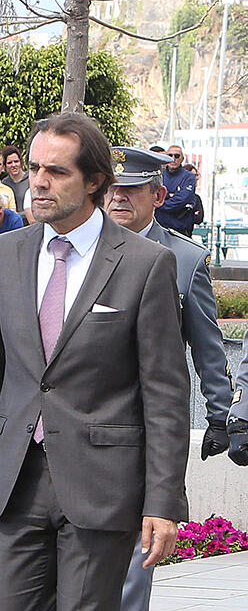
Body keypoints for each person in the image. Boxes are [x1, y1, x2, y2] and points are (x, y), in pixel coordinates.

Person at [0, 113, 190, 610]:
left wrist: (163, 502)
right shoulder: (3, 254)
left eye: (57, 172)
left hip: (102, 488)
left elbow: (166, 396)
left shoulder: (145, 264)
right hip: (15, 481)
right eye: (36, 168)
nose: (39, 182)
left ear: (95, 182)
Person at [105, 146, 233, 611]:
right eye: (113, 189)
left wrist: (221, 414)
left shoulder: (183, 258)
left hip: (145, 427)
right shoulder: (74, 250)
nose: (119, 198)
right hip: (79, 424)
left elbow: (206, 344)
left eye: (132, 190)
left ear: (158, 195)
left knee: (135, 561)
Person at [154, 145, 197, 236]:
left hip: (181, 230)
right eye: (170, 155)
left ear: (182, 159)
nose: (173, 158)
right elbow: (151, 196)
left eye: (177, 156)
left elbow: (181, 200)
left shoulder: (189, 177)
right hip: (159, 228)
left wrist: (160, 202)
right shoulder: (158, 175)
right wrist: (171, 196)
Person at [0, 145, 32, 223]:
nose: (14, 165)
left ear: (21, 162)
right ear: (4, 166)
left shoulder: (31, 179)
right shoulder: (4, 184)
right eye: (10, 163)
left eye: (16, 161)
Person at [184, 163, 205, 231]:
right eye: (191, 175)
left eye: (195, 175)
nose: (194, 178)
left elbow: (199, 218)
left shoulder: (196, 198)